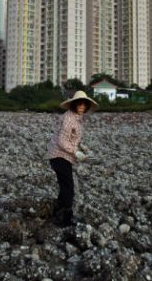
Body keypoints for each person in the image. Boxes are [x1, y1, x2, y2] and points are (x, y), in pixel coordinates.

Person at [46, 90, 98, 227]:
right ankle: (65, 220)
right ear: (74, 105)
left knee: (65, 186)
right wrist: (76, 153)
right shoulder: (69, 118)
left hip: (62, 155)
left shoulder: (77, 118)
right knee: (69, 187)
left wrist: (83, 149)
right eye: (79, 104)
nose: (81, 106)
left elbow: (73, 139)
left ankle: (56, 212)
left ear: (87, 106)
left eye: (84, 104)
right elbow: (62, 142)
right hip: (58, 155)